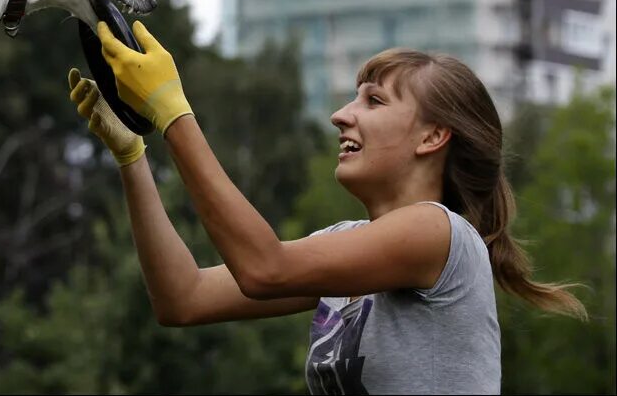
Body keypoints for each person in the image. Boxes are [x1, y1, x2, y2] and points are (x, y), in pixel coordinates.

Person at [67, 20, 587, 395]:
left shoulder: (438, 233)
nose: (341, 116)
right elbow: (183, 299)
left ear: (433, 136)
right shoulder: (348, 241)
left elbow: (264, 269)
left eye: (373, 101)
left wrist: (174, 111)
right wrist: (133, 157)